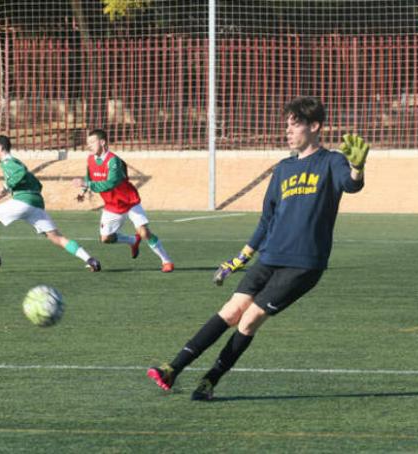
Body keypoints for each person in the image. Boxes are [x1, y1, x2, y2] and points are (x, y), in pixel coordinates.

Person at [147, 96, 369, 400]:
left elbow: (352, 185)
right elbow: (267, 220)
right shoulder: (282, 169)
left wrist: (357, 167)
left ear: (315, 126)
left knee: (249, 319)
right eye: (287, 124)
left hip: (304, 264)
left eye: (295, 124)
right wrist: (239, 258)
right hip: (270, 256)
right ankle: (172, 369)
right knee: (231, 311)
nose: (288, 130)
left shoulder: (332, 162)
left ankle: (210, 381)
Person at [0, 135, 101, 271]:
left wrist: (6, 186)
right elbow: (37, 184)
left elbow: (19, 173)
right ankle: (90, 259)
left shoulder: (7, 162)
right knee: (56, 237)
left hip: (23, 202)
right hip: (36, 204)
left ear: (0, 148)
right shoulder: (17, 161)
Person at [73, 128, 174, 273]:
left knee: (144, 232)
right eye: (87, 142)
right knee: (105, 238)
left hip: (129, 202)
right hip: (112, 205)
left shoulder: (113, 161)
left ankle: (167, 261)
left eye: (92, 142)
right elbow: (90, 177)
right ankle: (133, 240)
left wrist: (87, 184)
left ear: (102, 142)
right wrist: (83, 191)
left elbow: (111, 183)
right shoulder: (90, 160)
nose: (89, 145)